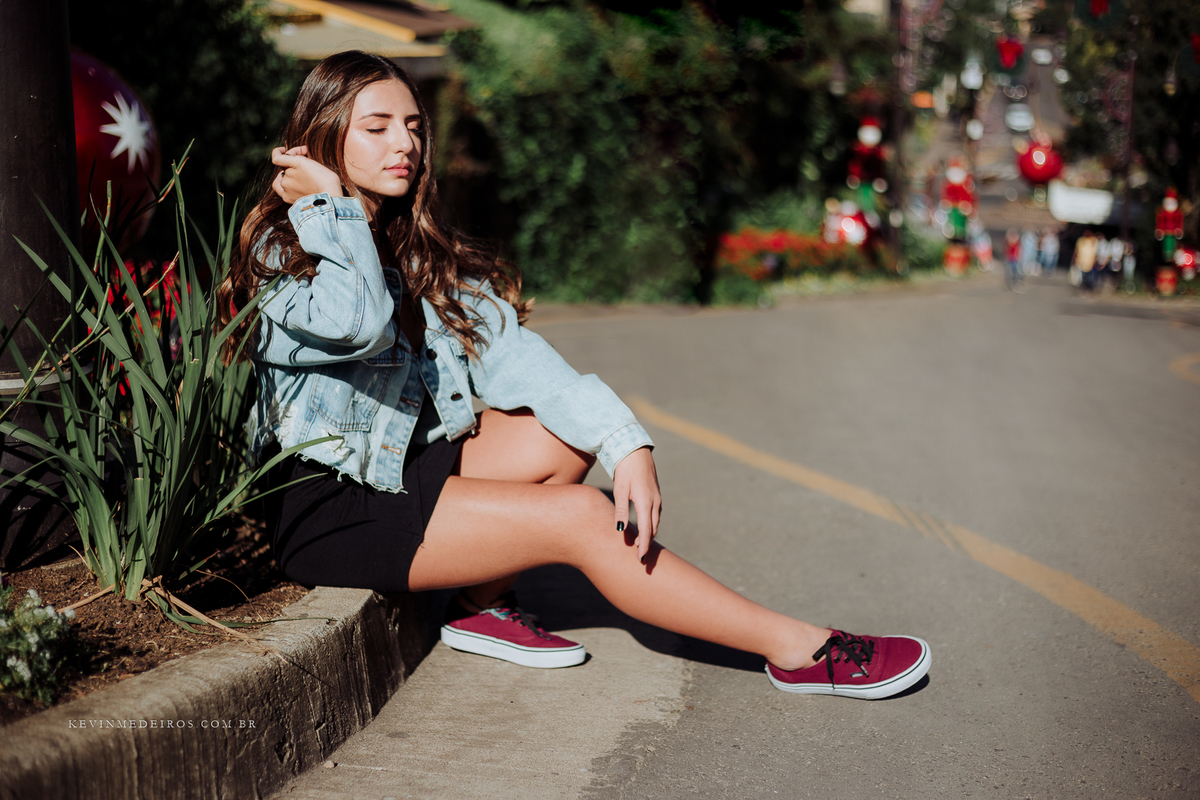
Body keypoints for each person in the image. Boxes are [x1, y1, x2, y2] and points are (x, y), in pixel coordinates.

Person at [216, 51, 930, 700]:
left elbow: (522, 361)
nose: (405, 144)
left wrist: (628, 444)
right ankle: (798, 650)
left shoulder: (413, 248)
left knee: (561, 438)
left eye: (412, 126)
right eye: (376, 128)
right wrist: (328, 207)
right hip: (334, 506)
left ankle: (479, 607)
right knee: (586, 519)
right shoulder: (286, 254)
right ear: (321, 140)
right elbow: (357, 323)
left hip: (401, 469)